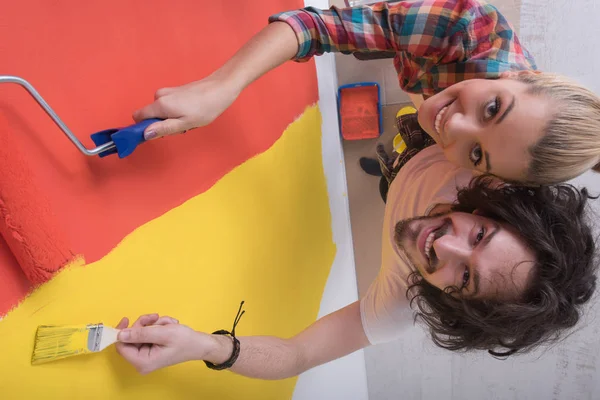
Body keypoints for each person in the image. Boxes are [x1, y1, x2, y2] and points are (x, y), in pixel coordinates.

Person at [115, 145, 597, 377]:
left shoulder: (397, 307)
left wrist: (203, 345)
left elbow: (296, 356)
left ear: (460, 307)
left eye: (464, 276)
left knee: (390, 185)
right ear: (496, 206)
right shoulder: (492, 162)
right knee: (397, 159)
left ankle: (387, 173)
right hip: (422, 146)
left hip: (403, 179)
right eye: (480, 233)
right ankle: (392, 161)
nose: (443, 244)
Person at [131, 0, 600, 185]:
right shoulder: (461, 26)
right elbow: (316, 25)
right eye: (493, 108)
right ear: (522, 76)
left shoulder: (509, 165)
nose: (454, 127)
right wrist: (219, 87)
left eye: (477, 155)